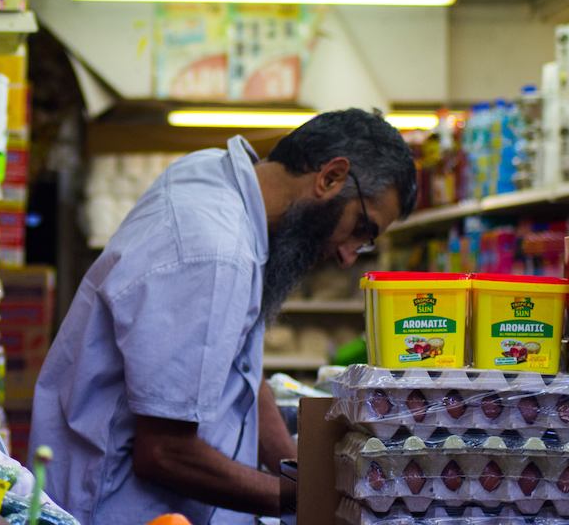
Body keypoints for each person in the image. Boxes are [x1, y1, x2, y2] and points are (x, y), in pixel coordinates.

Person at [29, 109, 417, 524]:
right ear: (330, 178)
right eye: (361, 228)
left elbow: (240, 367)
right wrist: (307, 500)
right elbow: (164, 451)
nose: (346, 256)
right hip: (119, 510)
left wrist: (299, 469)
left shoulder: (216, 177)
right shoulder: (215, 254)